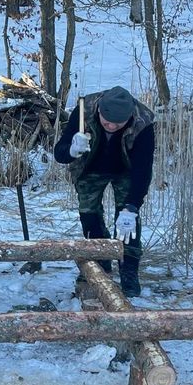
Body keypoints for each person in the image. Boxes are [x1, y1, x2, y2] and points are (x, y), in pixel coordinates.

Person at [53, 86, 155, 297]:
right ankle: (100, 260)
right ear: (99, 111)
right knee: (89, 215)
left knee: (128, 223)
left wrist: (132, 206)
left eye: (118, 124)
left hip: (126, 170)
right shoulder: (83, 110)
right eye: (107, 121)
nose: (111, 126)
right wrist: (72, 150)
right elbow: (59, 153)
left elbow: (143, 169)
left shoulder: (143, 122)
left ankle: (129, 270)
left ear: (129, 118)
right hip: (90, 167)